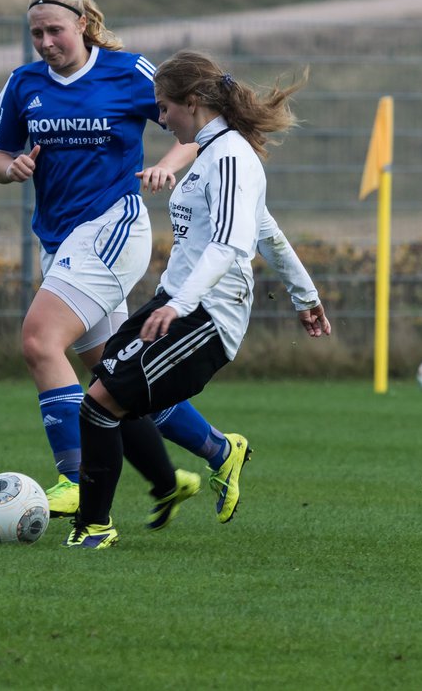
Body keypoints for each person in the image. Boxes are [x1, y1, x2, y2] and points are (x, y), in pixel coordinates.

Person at [0, 0, 256, 523]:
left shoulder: (126, 70)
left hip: (114, 225)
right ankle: (221, 451)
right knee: (114, 379)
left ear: (82, 25)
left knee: (39, 342)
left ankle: (74, 480)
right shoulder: (24, 83)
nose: (44, 42)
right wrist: (9, 169)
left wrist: (166, 165)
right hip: (58, 242)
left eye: (54, 30)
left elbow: (196, 126)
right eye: (35, 33)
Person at [66, 50, 332, 549]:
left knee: (102, 402)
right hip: (180, 302)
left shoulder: (232, 157)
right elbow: (268, 232)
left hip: (208, 314)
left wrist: (179, 304)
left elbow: (232, 243)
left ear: (192, 102)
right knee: (101, 397)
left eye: (164, 107)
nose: (160, 119)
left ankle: (95, 528)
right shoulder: (213, 154)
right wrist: (305, 295)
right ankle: (200, 463)